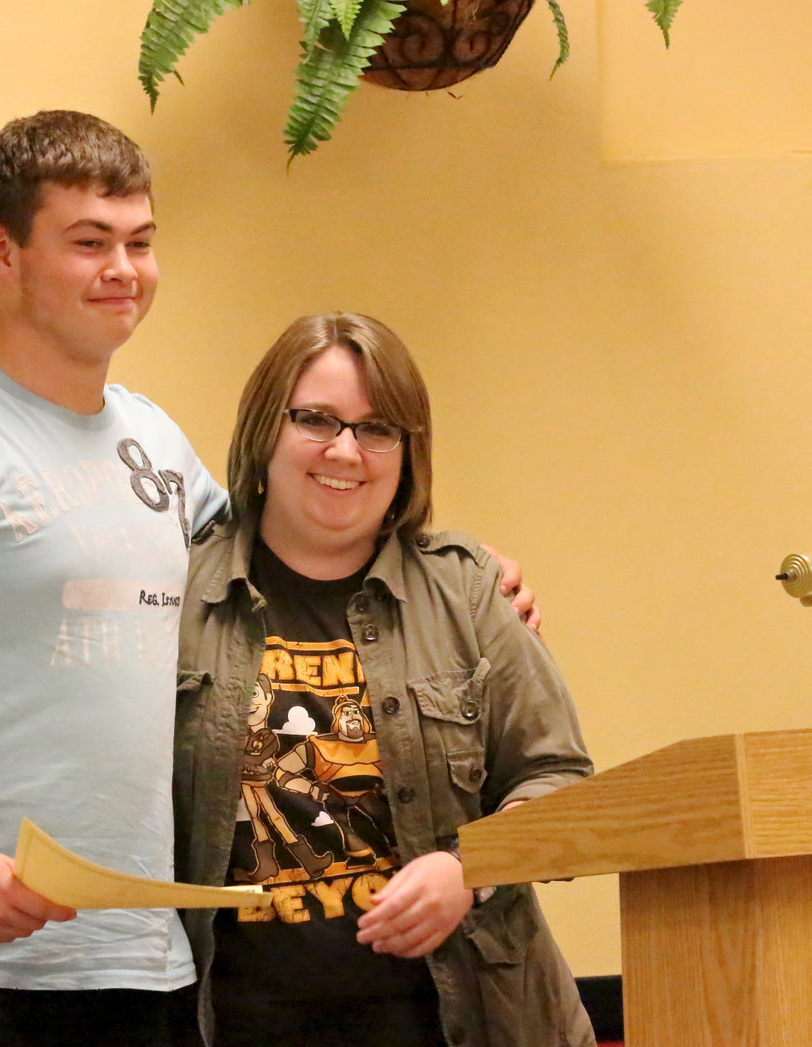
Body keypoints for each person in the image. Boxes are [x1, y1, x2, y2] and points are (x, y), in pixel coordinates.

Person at [0, 112, 539, 1045]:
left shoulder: (154, 442)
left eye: (140, 241)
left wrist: (453, 568)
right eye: (88, 242)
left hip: (139, 961)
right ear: (1, 250)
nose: (123, 270)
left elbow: (296, 543)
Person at [174, 312, 596, 1047]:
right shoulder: (176, 591)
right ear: (263, 431)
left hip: (458, 1018)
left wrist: (471, 869)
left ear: (407, 453)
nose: (346, 450)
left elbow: (559, 776)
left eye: (377, 429)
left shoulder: (465, 593)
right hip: (235, 1019)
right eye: (316, 420)